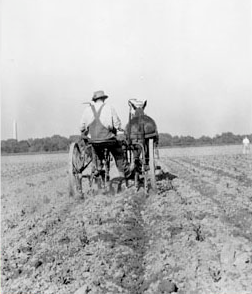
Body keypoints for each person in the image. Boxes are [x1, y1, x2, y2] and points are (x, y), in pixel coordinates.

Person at [79, 90, 133, 178]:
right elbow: (117, 124)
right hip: (108, 139)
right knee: (118, 152)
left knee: (96, 150)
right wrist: (120, 128)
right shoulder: (110, 107)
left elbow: (81, 127)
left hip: (93, 141)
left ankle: (98, 167)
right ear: (103, 99)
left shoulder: (87, 109)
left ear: (94, 99)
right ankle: (125, 171)